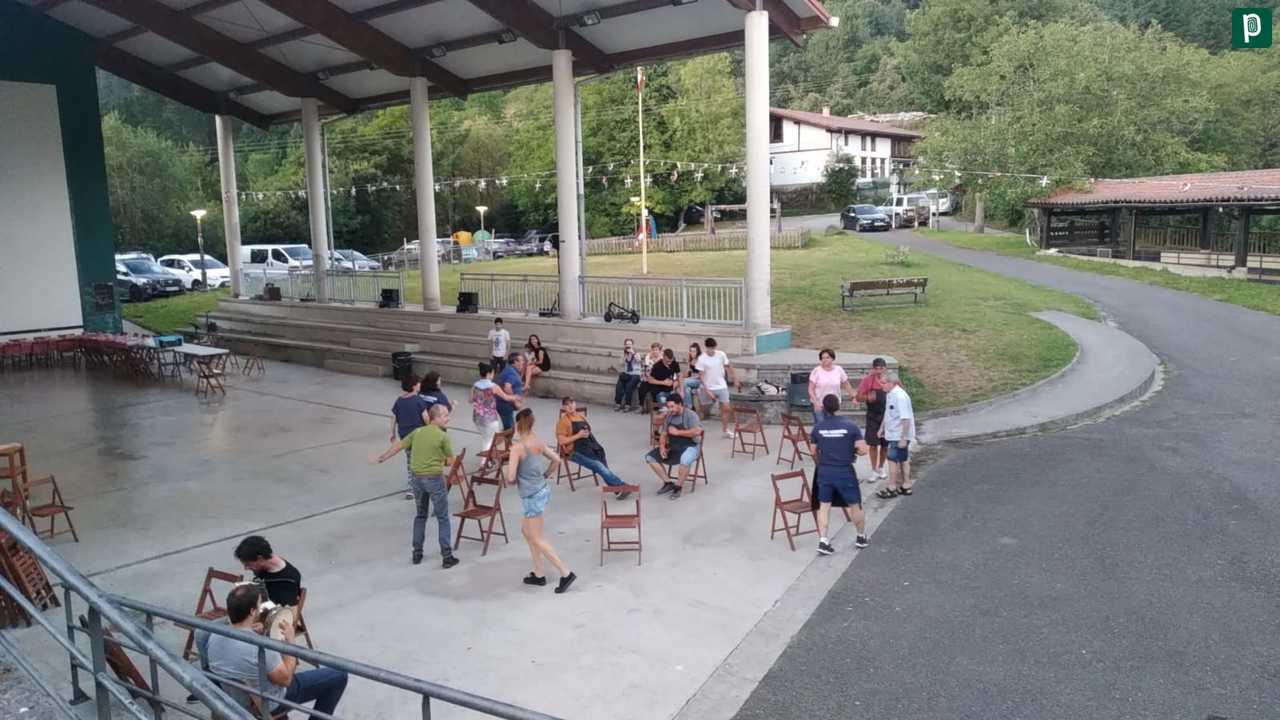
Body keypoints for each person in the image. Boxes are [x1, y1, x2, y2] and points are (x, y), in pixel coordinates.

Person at [206, 584, 348, 718]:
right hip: (269, 702)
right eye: (259, 605)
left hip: (236, 698)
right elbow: (286, 680)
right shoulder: (260, 647)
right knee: (338, 676)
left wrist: (256, 632)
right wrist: (290, 642)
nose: (260, 608)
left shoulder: (214, 637)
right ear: (252, 611)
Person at [374, 404, 460, 568]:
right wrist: (441, 459)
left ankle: (417, 553)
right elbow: (450, 462)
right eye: (445, 415)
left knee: (421, 515)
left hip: (417, 479)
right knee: (442, 517)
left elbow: (399, 446)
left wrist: (382, 457)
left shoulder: (417, 432)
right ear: (435, 417)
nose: (448, 419)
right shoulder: (443, 436)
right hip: (434, 479)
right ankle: (447, 556)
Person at [505, 408, 576, 593]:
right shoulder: (538, 441)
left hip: (531, 495)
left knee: (536, 538)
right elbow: (557, 459)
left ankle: (565, 572)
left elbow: (510, 477)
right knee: (526, 531)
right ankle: (538, 573)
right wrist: (545, 474)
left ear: (517, 425)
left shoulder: (517, 448)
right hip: (542, 490)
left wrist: (507, 468)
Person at [810, 395, 870, 554]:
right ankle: (861, 537)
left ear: (823, 408)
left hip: (825, 471)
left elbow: (812, 451)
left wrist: (822, 460)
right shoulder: (851, 426)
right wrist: (852, 451)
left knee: (824, 505)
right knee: (854, 504)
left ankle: (823, 540)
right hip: (845, 471)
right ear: (838, 406)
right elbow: (863, 450)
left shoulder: (818, 428)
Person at [555, 396, 630, 499]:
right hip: (574, 451)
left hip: (587, 446)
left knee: (601, 461)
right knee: (598, 465)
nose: (570, 406)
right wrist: (578, 435)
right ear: (563, 407)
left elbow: (588, 431)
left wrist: (587, 434)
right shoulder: (563, 422)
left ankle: (617, 489)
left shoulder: (581, 417)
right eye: (567, 405)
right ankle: (622, 486)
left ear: (575, 404)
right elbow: (561, 441)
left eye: (571, 403)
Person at [645, 395, 703, 500]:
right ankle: (668, 483)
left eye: (672, 406)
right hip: (674, 446)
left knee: (685, 459)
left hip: (691, 446)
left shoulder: (690, 415)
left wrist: (677, 432)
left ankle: (678, 487)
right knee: (650, 458)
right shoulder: (669, 416)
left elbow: (697, 431)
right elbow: (663, 434)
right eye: (668, 407)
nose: (670, 409)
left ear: (680, 404)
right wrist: (662, 447)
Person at [876, 370, 916, 499]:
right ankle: (906, 485)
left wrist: (903, 438)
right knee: (903, 459)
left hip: (899, 435)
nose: (881, 385)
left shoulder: (900, 397)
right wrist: (882, 428)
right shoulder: (890, 394)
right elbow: (888, 412)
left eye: (883, 383)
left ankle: (892, 487)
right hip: (894, 433)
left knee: (892, 460)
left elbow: (906, 419)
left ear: (891, 383)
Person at [390, 374, 430, 500]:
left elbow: (393, 417)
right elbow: (426, 418)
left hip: (404, 436)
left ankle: (414, 485)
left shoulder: (399, 400)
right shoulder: (419, 401)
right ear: (414, 386)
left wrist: (392, 432)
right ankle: (416, 487)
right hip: (418, 436)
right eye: (418, 383)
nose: (420, 385)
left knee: (410, 460)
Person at [695, 337, 739, 439]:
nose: (712, 350)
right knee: (703, 410)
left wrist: (735, 378)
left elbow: (728, 366)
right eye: (710, 348)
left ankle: (725, 430)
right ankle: (694, 429)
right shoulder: (702, 358)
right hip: (708, 387)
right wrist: (707, 390)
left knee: (726, 408)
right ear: (706, 348)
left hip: (721, 385)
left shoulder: (721, 354)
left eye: (713, 348)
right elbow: (701, 376)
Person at [856, 358, 889, 482]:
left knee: (885, 445)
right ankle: (874, 470)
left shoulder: (890, 379)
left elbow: (899, 391)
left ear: (885, 368)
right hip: (872, 416)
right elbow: (858, 397)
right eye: (876, 368)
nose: (879, 371)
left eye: (881, 368)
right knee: (873, 445)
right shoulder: (867, 380)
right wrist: (867, 397)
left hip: (887, 416)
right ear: (873, 368)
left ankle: (881, 467)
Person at [471, 362, 511, 451]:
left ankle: (487, 457)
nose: (493, 375)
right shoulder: (493, 386)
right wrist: (516, 397)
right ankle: (486, 458)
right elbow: (506, 397)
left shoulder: (475, 385)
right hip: (490, 418)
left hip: (477, 417)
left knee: (486, 439)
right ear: (488, 374)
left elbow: (470, 400)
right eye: (493, 373)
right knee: (491, 440)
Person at [808, 348, 855, 422]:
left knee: (833, 424)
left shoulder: (839, 369)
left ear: (832, 358)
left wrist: (853, 397)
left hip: (833, 405)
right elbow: (810, 389)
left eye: (827, 357)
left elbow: (846, 384)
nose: (825, 360)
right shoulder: (816, 371)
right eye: (823, 358)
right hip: (819, 404)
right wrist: (816, 403)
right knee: (822, 425)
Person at [495, 352, 526, 431]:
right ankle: (499, 439)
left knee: (508, 428)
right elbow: (507, 387)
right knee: (509, 429)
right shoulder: (511, 373)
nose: (523, 362)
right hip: (505, 405)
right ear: (515, 362)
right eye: (521, 360)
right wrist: (515, 401)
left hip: (504, 404)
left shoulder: (509, 370)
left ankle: (504, 438)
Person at [614, 338, 642, 412]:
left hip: (636, 374)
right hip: (627, 374)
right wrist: (625, 356)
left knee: (628, 386)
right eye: (627, 344)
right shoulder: (624, 354)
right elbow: (620, 363)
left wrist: (633, 353)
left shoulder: (637, 353)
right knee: (619, 386)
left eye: (630, 344)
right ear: (624, 345)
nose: (628, 346)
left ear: (633, 345)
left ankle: (627, 405)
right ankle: (618, 403)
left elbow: (639, 361)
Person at [681, 342, 703, 413]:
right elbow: (687, 373)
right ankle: (690, 408)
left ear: (697, 351)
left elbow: (703, 375)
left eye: (694, 351)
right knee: (687, 389)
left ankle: (686, 407)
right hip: (692, 381)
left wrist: (692, 377)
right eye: (691, 351)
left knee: (684, 382)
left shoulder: (700, 360)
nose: (692, 353)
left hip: (700, 381)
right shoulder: (690, 359)